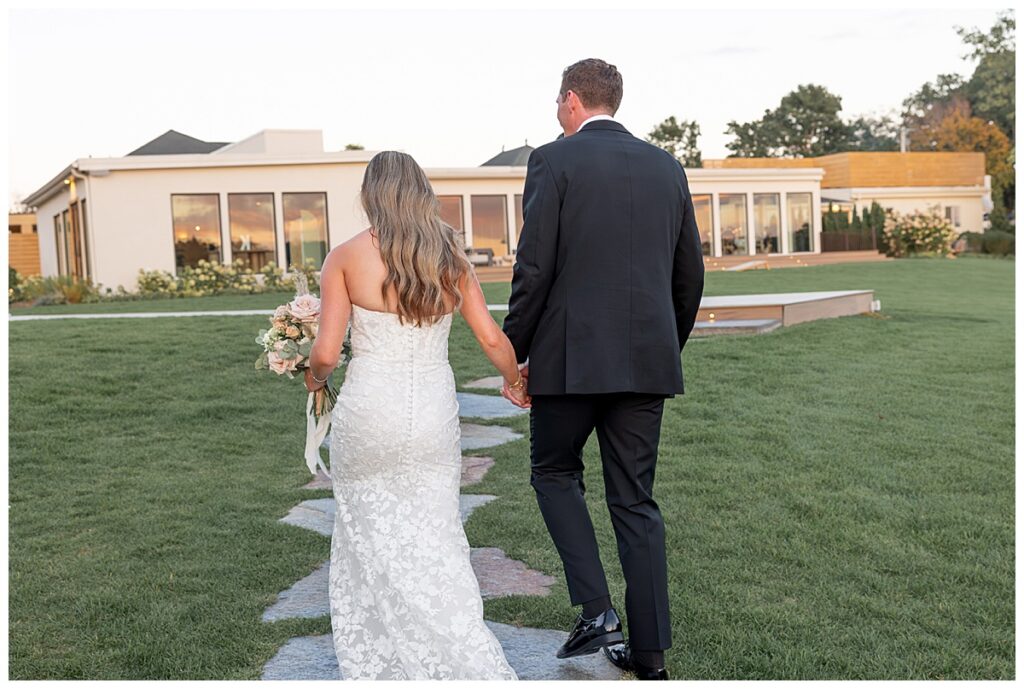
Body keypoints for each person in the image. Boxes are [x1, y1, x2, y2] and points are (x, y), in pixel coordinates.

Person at [500, 58, 705, 681]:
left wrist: (514, 355)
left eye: (554, 101)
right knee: (635, 502)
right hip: (647, 363)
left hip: (569, 361)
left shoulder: (553, 160)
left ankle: (596, 611)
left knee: (554, 471)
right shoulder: (667, 166)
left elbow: (534, 269)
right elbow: (688, 274)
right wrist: (663, 344)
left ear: (570, 101)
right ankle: (650, 657)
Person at [304, 150, 526, 680]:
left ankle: (385, 662)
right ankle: (456, 650)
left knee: (366, 533)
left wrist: (313, 381)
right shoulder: (449, 256)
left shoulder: (344, 257)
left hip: (367, 414)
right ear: (421, 192)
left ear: (371, 195)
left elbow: (327, 354)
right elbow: (491, 337)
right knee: (438, 535)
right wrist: (515, 381)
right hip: (430, 415)